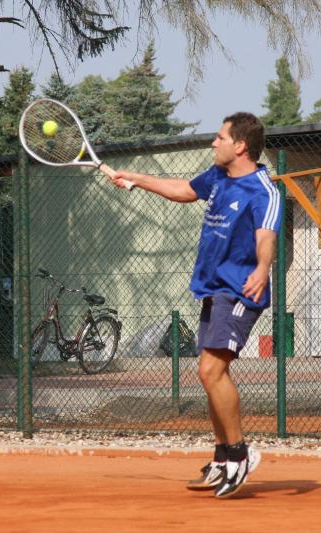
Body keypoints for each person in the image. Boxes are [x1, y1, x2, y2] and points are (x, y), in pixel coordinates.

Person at [110, 112, 281, 498]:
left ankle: (239, 455)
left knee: (210, 371)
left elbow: (266, 236)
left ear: (240, 145)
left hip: (240, 291)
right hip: (213, 289)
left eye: (220, 138)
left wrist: (262, 269)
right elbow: (185, 189)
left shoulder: (263, 190)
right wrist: (137, 179)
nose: (213, 143)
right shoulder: (218, 176)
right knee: (210, 376)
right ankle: (222, 457)